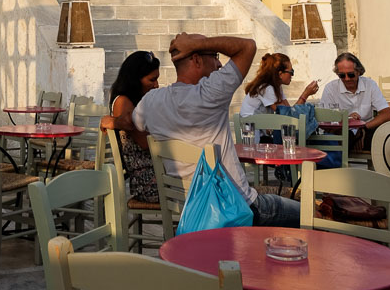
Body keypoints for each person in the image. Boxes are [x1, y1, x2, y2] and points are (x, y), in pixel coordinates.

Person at [102, 31, 301, 227]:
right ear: (196, 59)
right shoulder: (211, 93)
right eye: (214, 56)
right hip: (236, 208)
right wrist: (197, 44)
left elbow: (130, 122)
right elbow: (247, 47)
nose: (219, 64)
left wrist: (112, 121)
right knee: (313, 215)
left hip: (188, 209)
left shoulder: (150, 101)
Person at [107, 50, 160, 203]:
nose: (156, 85)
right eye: (152, 80)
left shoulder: (139, 102)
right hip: (147, 181)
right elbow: (145, 143)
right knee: (196, 186)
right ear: (135, 80)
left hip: (157, 171)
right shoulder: (124, 102)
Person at [320, 51, 390, 150]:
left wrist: (363, 128)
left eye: (351, 75)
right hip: (341, 131)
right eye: (342, 75)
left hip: (367, 131)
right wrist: (346, 119)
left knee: (383, 138)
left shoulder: (370, 85)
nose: (347, 79)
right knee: (341, 137)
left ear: (358, 72)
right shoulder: (331, 88)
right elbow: (324, 120)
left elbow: (387, 114)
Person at [240, 53, 319, 116]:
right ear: (280, 74)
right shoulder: (267, 89)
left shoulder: (276, 87)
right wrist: (305, 94)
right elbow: (289, 116)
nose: (292, 75)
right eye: (291, 72)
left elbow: (290, 111)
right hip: (251, 132)